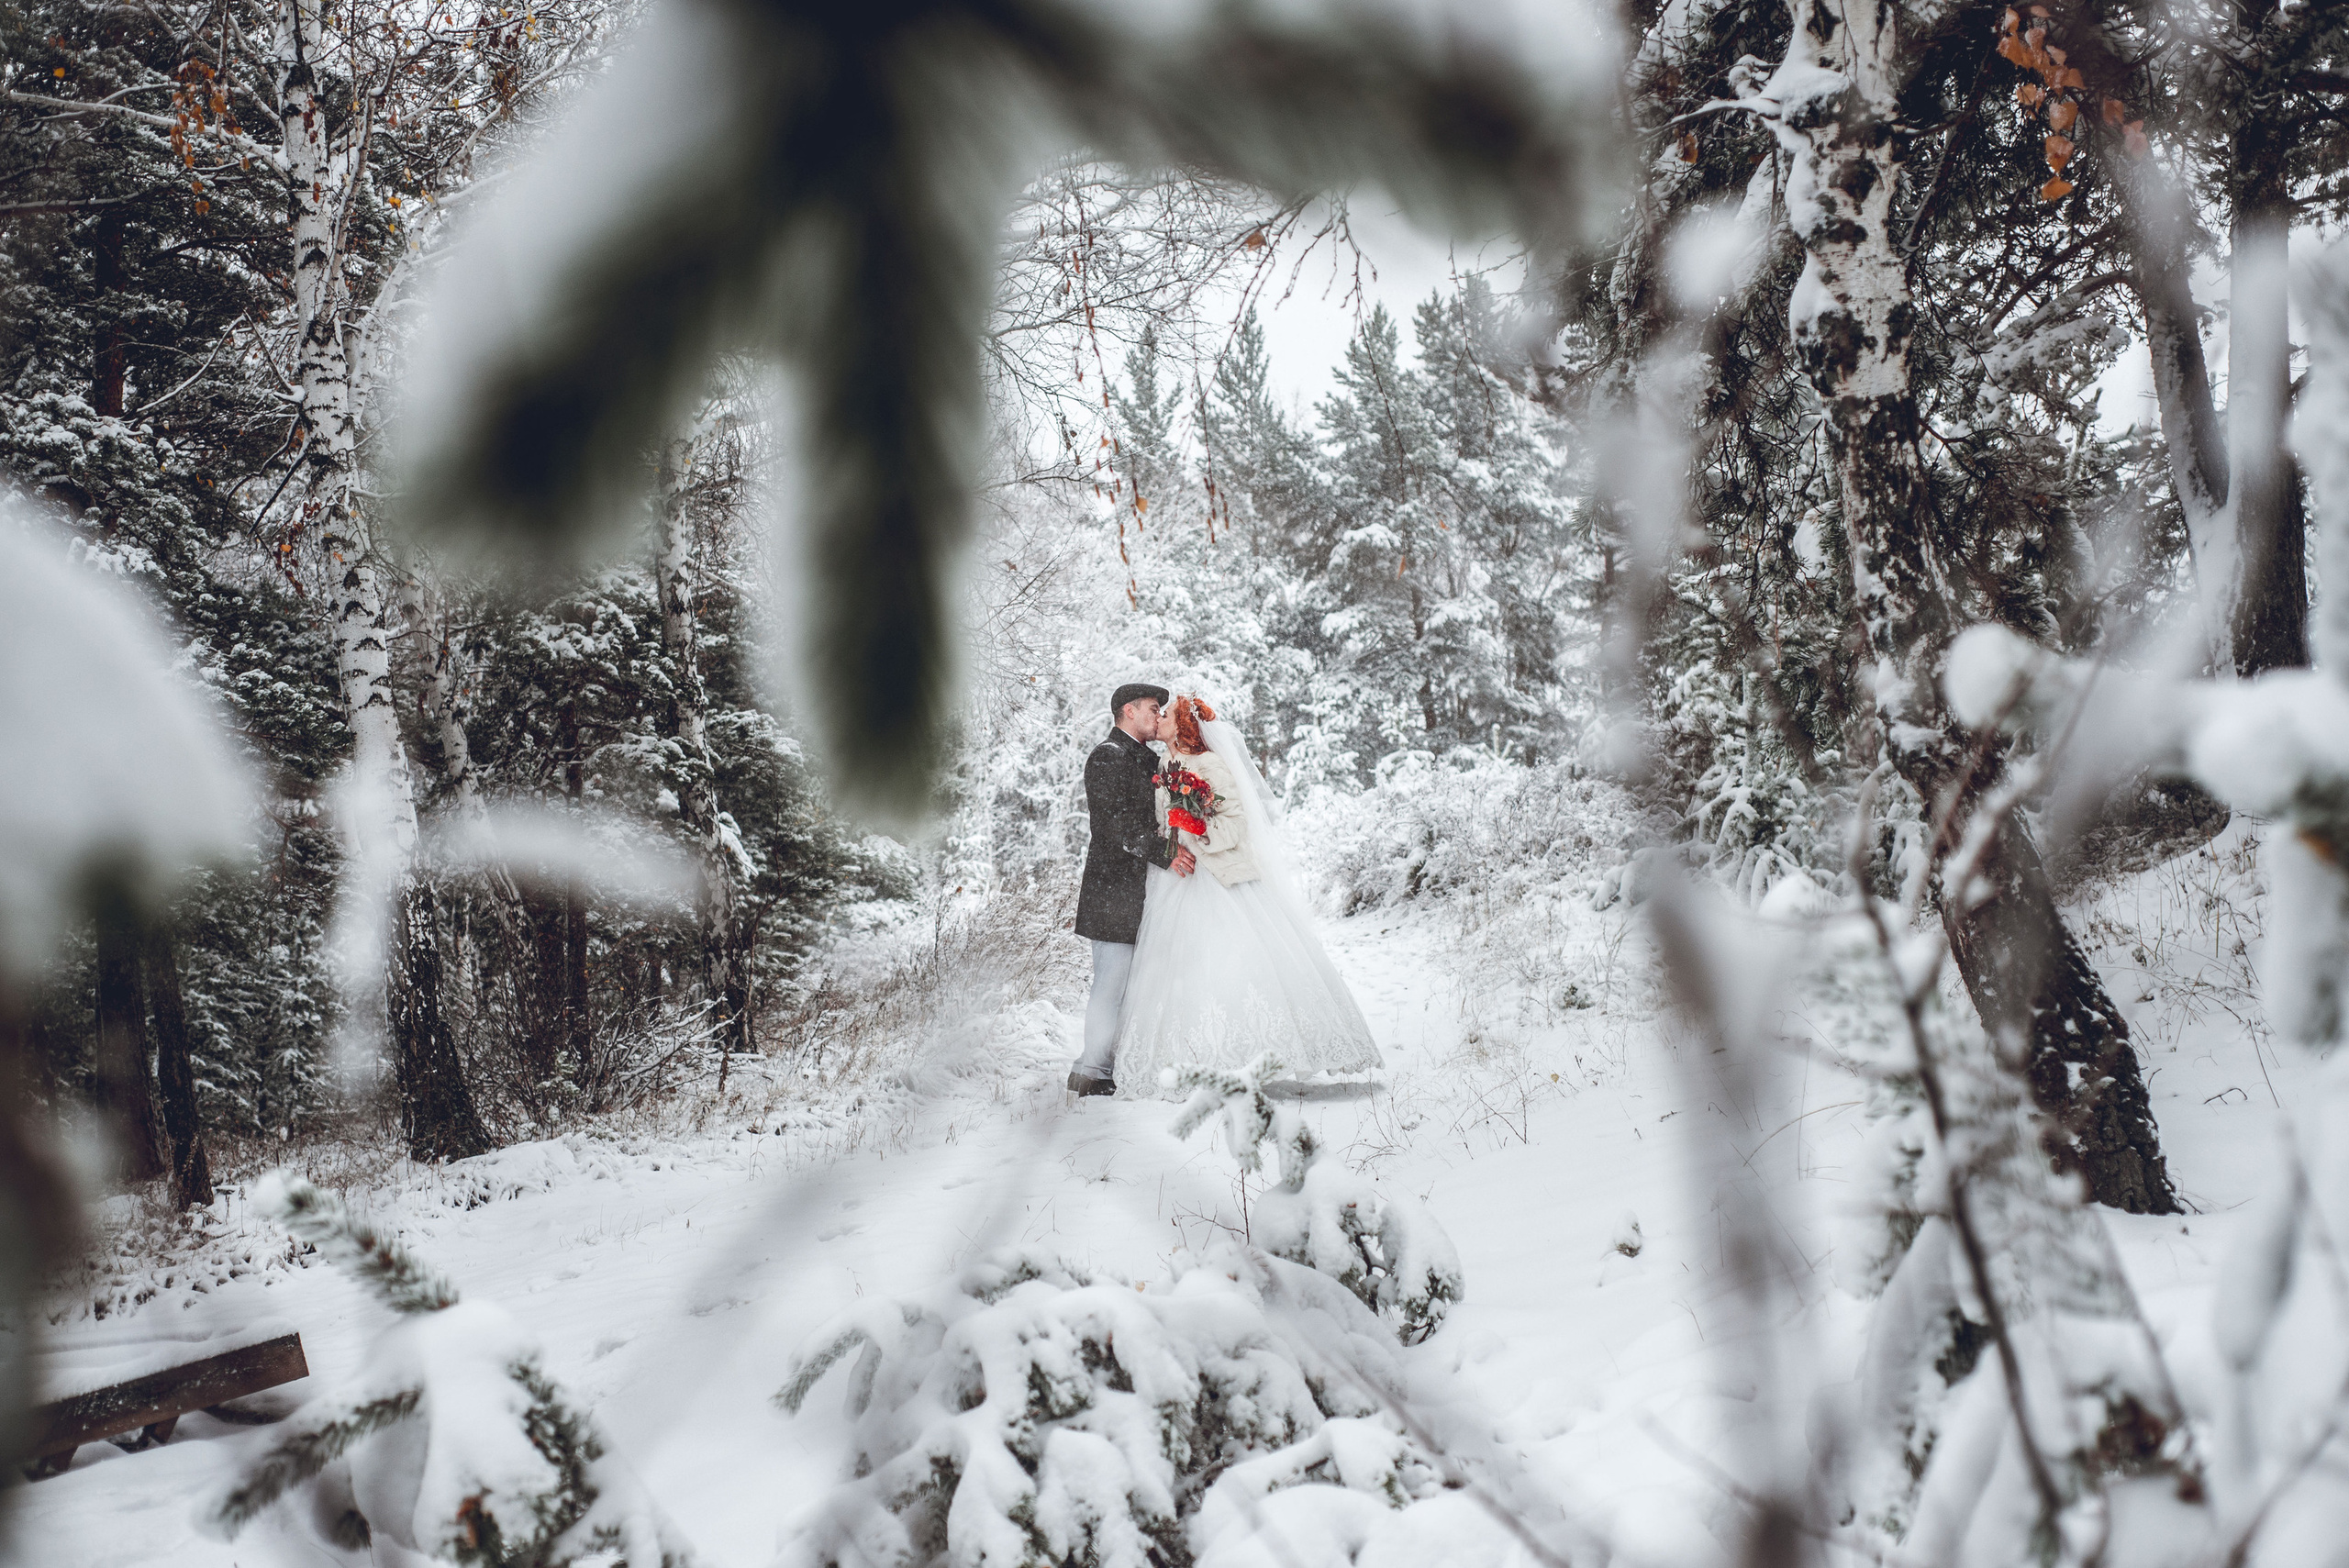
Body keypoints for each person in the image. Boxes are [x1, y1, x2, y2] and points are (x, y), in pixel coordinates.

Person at [1108, 695, 1379, 1095]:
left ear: (1183, 726)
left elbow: (1235, 826)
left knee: (1227, 963)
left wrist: (1197, 828)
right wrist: (1170, 840)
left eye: (1167, 714)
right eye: (1157, 712)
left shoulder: (1211, 764)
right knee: (1176, 969)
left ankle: (1244, 1059)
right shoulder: (1165, 765)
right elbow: (1164, 822)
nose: (1159, 718)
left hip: (1217, 878)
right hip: (1174, 878)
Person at [1068, 683, 1196, 1095]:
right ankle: (1090, 1072)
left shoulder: (1149, 759)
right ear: (1128, 711)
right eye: (1153, 709)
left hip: (1144, 893)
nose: (1159, 717)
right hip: (1112, 892)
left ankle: (1108, 1062)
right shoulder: (1107, 757)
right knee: (1111, 985)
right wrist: (1166, 853)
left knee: (1133, 985)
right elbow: (1114, 826)